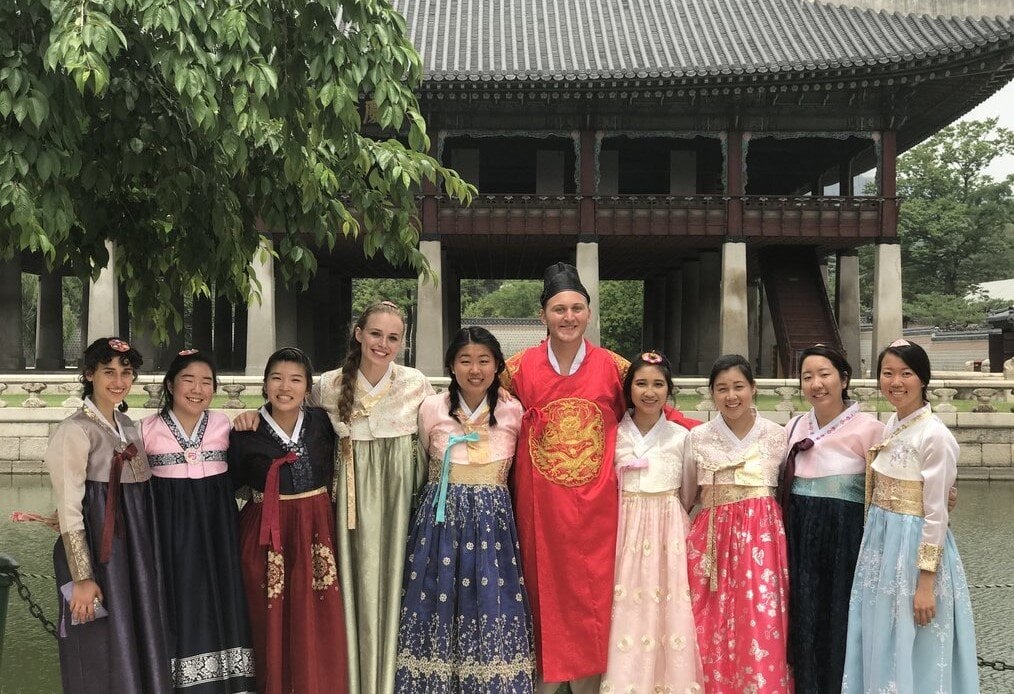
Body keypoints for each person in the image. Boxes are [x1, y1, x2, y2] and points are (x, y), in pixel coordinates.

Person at [503, 262, 698, 693]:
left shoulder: (613, 366)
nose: (568, 317)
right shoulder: (517, 369)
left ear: (588, 314)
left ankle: (595, 680)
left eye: (576, 308)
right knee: (544, 594)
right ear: (543, 316)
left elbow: (653, 406)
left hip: (598, 508)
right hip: (542, 507)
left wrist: (702, 432)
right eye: (558, 309)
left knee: (597, 596)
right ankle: (545, 678)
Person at [395, 326, 536, 693]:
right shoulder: (431, 408)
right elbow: (424, 453)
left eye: (484, 361)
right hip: (441, 522)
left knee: (491, 601)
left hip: (494, 526)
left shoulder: (512, 410)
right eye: (465, 360)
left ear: (497, 366)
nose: (475, 369)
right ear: (451, 366)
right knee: (436, 597)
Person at [842, 339, 978, 693]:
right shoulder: (893, 424)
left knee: (915, 643)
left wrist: (925, 585)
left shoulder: (935, 436)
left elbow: (936, 516)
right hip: (883, 545)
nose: (896, 382)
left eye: (906, 373)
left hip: (913, 551)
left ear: (923, 379)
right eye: (888, 373)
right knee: (881, 638)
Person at [315, 301, 435, 694]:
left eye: (393, 337)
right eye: (376, 334)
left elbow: (442, 435)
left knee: (400, 585)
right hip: (348, 506)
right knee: (354, 585)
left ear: (402, 342)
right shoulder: (328, 385)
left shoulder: (415, 383)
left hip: (401, 502)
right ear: (359, 333)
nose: (383, 344)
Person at [44, 337, 172, 693]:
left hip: (134, 552)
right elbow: (70, 508)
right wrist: (82, 576)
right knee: (99, 645)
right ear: (89, 375)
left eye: (126, 373)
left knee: (138, 633)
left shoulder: (129, 426)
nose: (118, 381)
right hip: (100, 555)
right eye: (108, 372)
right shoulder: (75, 430)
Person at [228, 348, 348, 694]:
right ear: (264, 384)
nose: (285, 387)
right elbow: (226, 487)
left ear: (307, 387)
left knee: (318, 615)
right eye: (276, 378)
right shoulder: (245, 432)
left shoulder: (323, 424)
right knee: (267, 617)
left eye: (295, 379)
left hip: (316, 530)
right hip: (265, 533)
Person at [141, 349, 255, 693]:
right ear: (171, 384)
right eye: (188, 379)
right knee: (179, 599)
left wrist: (251, 419)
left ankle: (232, 682)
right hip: (170, 531)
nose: (197, 389)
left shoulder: (224, 425)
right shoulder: (146, 430)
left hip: (218, 529)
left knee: (223, 595)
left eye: (207, 382)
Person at [684, 354, 792, 694]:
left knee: (760, 620)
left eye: (738, 387)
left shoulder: (777, 436)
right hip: (711, 543)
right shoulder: (698, 437)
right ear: (712, 394)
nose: (731, 396)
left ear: (753, 389)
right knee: (708, 621)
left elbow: (788, 490)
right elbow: (688, 495)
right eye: (722, 389)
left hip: (762, 542)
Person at [780, 344, 884, 694]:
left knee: (839, 615)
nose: (816, 384)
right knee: (802, 614)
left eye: (824, 374)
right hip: (798, 527)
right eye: (807, 377)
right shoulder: (795, 424)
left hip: (844, 531)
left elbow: (889, 485)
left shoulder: (869, 429)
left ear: (843, 378)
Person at [601, 351, 703, 693]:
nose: (649, 392)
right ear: (628, 389)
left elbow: (688, 491)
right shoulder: (614, 434)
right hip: (623, 528)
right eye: (641, 383)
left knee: (668, 605)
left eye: (658, 384)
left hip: (667, 531)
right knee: (626, 602)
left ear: (668, 390)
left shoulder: (680, 437)